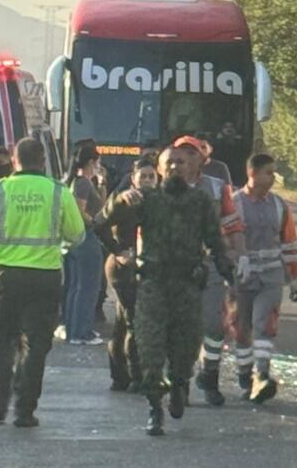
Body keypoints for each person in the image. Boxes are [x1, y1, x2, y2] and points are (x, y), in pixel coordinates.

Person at [100, 146, 235, 436]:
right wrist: (120, 201)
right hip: (153, 285)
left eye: (181, 162)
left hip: (186, 285)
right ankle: (154, 409)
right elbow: (101, 223)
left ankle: (180, 385)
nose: (175, 167)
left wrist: (228, 271)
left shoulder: (200, 201)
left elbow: (214, 239)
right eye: (169, 163)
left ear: (191, 167)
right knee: (150, 346)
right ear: (159, 169)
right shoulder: (147, 200)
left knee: (185, 348)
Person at [0, 138, 85, 427]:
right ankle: (25, 410)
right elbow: (77, 234)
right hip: (45, 276)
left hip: (5, 273)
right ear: (43, 160)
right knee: (36, 344)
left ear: (15, 161)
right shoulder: (58, 192)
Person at [169, 135, 245, 407]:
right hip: (175, 267)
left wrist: (237, 257)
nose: (185, 160)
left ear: (201, 159)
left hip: (210, 264)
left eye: (191, 154)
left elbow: (233, 225)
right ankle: (181, 382)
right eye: (180, 155)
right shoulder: (166, 188)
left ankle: (210, 376)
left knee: (213, 324)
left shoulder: (217, 188)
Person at [229, 153, 297, 403]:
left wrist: (295, 278)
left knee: (264, 325)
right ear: (252, 174)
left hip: (271, 276)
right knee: (241, 329)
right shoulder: (233, 203)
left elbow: (289, 242)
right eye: (268, 173)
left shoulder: (279, 206)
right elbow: (223, 238)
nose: (273, 178)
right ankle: (244, 376)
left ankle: (262, 375)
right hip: (241, 276)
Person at [95, 156, 159, 391]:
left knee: (123, 322)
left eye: (151, 176)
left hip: (145, 267)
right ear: (133, 179)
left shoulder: (158, 200)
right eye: (143, 176)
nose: (147, 181)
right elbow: (98, 224)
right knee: (135, 322)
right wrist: (117, 250)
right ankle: (137, 377)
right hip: (122, 269)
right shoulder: (123, 199)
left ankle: (119, 377)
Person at [62, 142, 106, 345]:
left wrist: (102, 182)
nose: (99, 165)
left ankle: (74, 328)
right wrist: (95, 222)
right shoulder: (82, 183)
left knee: (75, 286)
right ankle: (81, 332)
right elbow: (80, 210)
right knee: (87, 286)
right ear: (91, 161)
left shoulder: (82, 182)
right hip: (86, 237)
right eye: (98, 161)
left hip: (75, 239)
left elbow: (102, 206)